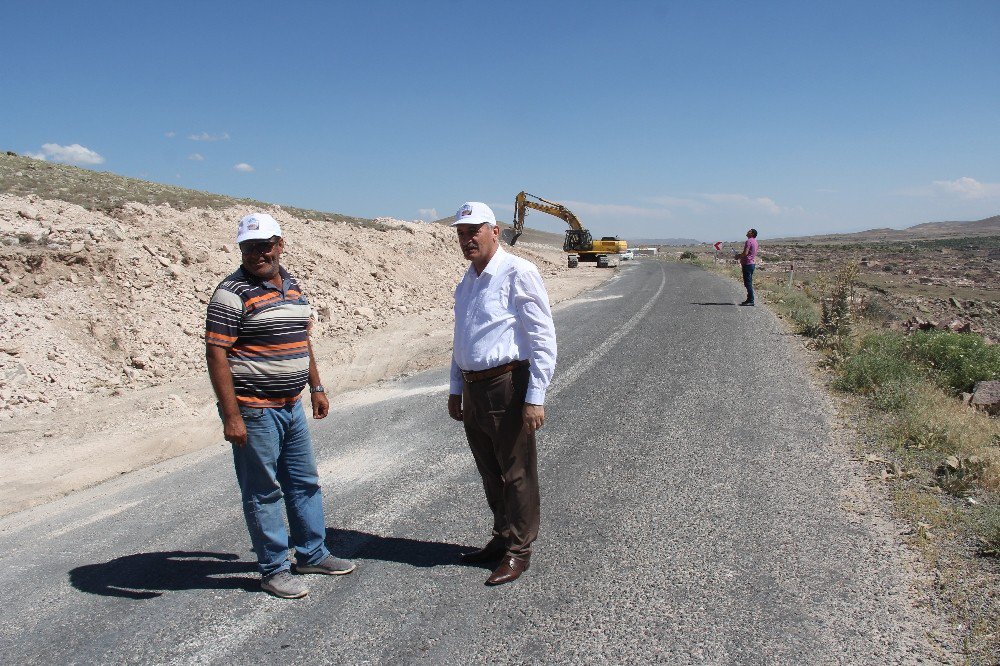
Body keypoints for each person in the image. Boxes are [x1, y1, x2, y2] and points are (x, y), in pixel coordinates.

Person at [205, 212, 355, 599]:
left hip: (291, 405)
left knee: (304, 482)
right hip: (255, 410)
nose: (258, 253)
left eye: (265, 245)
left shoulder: (293, 286)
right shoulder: (231, 293)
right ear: (241, 249)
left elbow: (302, 340)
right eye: (249, 247)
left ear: (280, 245)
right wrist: (231, 414)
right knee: (264, 491)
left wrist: (316, 386)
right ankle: (273, 568)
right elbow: (216, 354)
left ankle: (312, 552)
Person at [447, 201, 557, 586]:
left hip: (507, 386)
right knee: (490, 472)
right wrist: (455, 388)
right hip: (475, 388)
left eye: (473, 231)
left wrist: (535, 396)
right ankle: (502, 535)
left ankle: (519, 550)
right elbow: (462, 336)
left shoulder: (518, 272)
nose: (467, 239)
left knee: (517, 473)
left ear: (495, 231)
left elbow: (543, 337)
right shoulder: (469, 279)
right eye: (461, 233)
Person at [738, 228, 758, 306]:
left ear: (752, 234)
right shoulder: (755, 242)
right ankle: (749, 299)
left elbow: (745, 253)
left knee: (748, 283)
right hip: (752, 264)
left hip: (747, 264)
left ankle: (751, 300)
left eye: (749, 231)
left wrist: (738, 256)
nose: (747, 232)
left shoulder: (749, 241)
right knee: (748, 282)